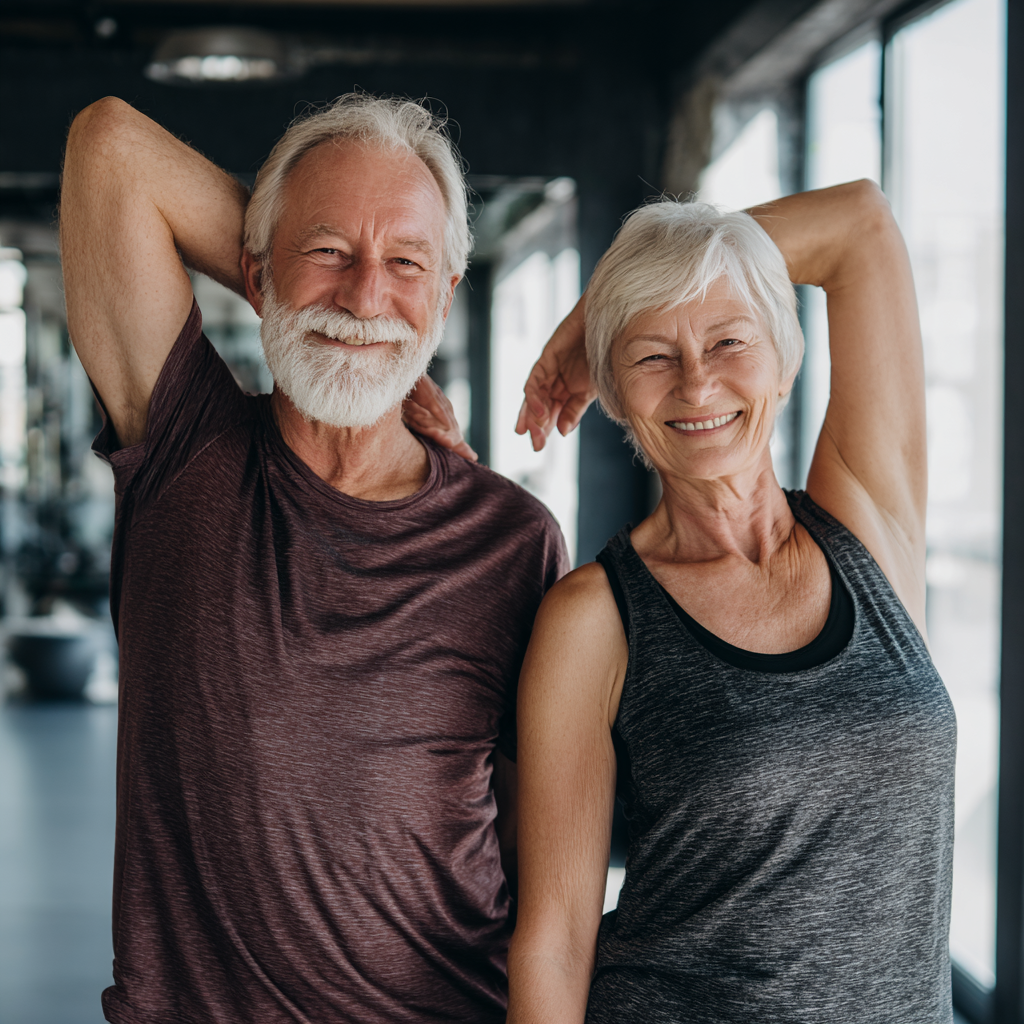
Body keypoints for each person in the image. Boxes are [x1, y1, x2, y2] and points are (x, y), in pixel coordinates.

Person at [60, 92, 568, 1024]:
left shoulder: (513, 542)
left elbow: (548, 886)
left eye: (407, 263)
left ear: (449, 296)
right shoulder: (184, 452)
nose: (366, 292)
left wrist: (358, 314)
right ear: (252, 271)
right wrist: (314, 305)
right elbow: (109, 149)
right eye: (329, 251)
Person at [507, 182, 955, 1023]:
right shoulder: (595, 619)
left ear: (783, 360)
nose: (697, 382)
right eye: (650, 357)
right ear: (616, 398)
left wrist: (593, 311)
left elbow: (860, 226)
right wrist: (611, 320)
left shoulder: (870, 526)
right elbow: (556, 939)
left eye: (728, 340)